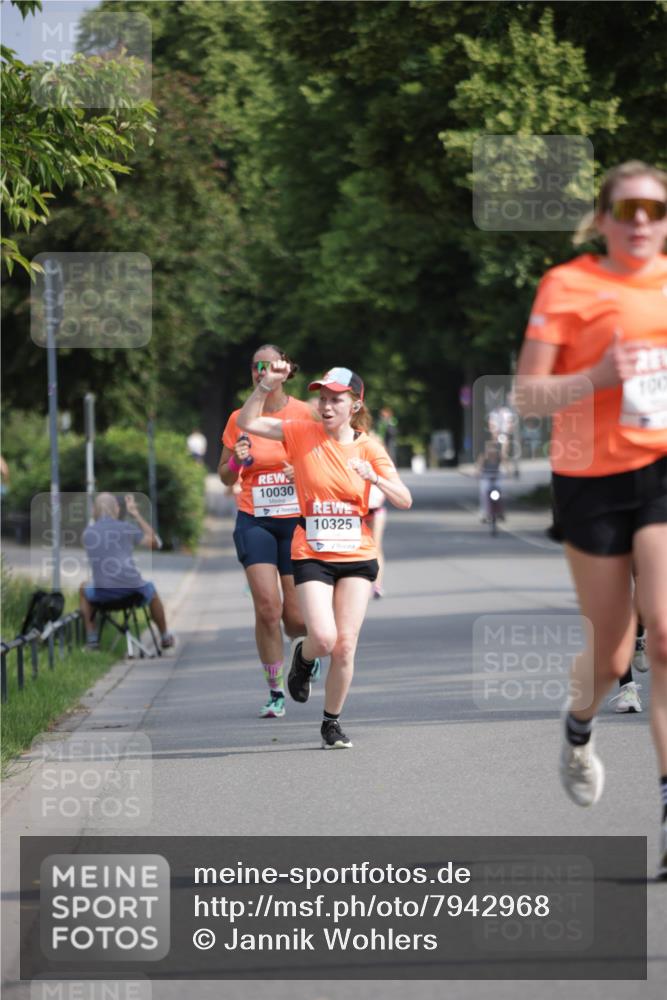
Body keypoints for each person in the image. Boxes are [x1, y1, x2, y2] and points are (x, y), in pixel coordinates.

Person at [514, 160, 667, 878]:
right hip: (590, 477)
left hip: (662, 468)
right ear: (602, 218)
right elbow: (527, 396)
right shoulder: (567, 286)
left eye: (653, 210)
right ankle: (579, 727)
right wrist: (598, 379)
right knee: (610, 657)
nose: (640, 222)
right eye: (626, 209)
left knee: (664, 631)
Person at [237, 364, 412, 749]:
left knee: (345, 645)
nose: (326, 406)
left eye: (336, 399)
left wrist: (375, 478)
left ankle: (331, 724)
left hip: (356, 553)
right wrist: (265, 386)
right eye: (323, 398)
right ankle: (303, 657)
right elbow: (247, 422)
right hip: (312, 551)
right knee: (323, 637)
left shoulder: (369, 447)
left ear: (355, 405)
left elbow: (404, 498)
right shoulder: (301, 432)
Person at [218, 345, 314, 719]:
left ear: (285, 370)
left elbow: (325, 460)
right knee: (267, 607)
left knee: (296, 618)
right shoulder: (239, 418)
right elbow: (225, 476)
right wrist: (236, 461)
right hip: (254, 518)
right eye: (256, 366)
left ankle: (305, 654)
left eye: (269, 365)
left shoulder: (304, 414)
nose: (263, 372)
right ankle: (275, 691)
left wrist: (300, 471)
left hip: (295, 520)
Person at [80, 492, 174, 650]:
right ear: (116, 509)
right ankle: (165, 636)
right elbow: (156, 543)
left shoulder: (87, 534)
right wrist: (136, 514)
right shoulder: (127, 528)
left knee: (83, 587)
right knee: (151, 590)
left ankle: (92, 639)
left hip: (103, 594)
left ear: (94, 511)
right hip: (133, 592)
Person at [475, 438, 505, 522]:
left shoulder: (499, 457)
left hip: (496, 477)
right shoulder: (483, 457)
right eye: (490, 449)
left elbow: (506, 466)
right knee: (484, 493)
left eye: (494, 449)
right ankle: (484, 513)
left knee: (500, 491)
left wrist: (509, 473)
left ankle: (500, 512)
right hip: (486, 477)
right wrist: (477, 473)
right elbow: (479, 468)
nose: (492, 451)